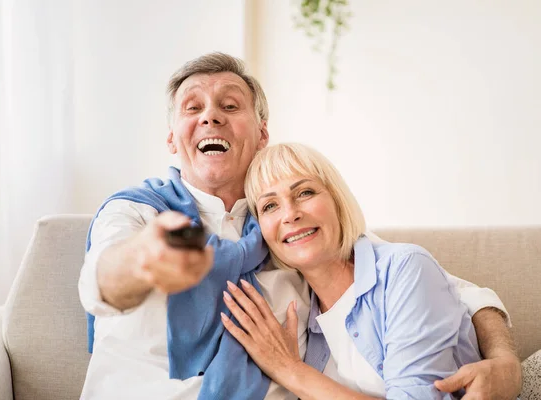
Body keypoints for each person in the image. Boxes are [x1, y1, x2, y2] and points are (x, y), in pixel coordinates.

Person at [78, 52, 521, 399]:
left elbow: (450, 288)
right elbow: (103, 280)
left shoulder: (289, 230)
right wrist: (143, 260)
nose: (210, 116)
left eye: (230, 105)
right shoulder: (136, 215)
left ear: (262, 133)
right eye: (193, 108)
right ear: (173, 138)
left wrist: (505, 362)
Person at [221, 142, 520, 398]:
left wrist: (291, 371)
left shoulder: (403, 268)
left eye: (305, 193)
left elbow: (465, 292)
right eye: (270, 206)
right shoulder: (301, 315)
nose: (290, 214)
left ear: (337, 201)